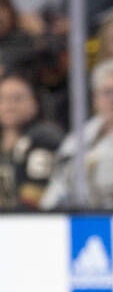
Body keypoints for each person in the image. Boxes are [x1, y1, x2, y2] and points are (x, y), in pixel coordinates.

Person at [41, 58, 113, 208]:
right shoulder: (88, 130)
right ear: (96, 98)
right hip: (75, 211)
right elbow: (62, 170)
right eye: (107, 93)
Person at [0, 72, 61, 208]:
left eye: (17, 99)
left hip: (27, 223)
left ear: (34, 102)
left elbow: (34, 200)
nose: (9, 106)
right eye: (3, 99)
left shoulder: (44, 139)